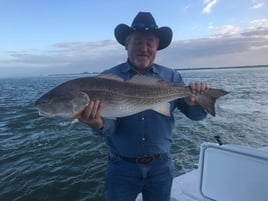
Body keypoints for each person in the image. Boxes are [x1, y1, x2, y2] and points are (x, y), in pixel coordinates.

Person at [79, 12, 209, 201]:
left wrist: (196, 101)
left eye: (150, 43)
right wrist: (97, 124)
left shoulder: (172, 77)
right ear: (126, 45)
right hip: (121, 168)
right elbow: (111, 127)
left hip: (161, 167)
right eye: (138, 42)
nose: (144, 48)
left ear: (157, 47)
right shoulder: (106, 79)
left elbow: (196, 116)